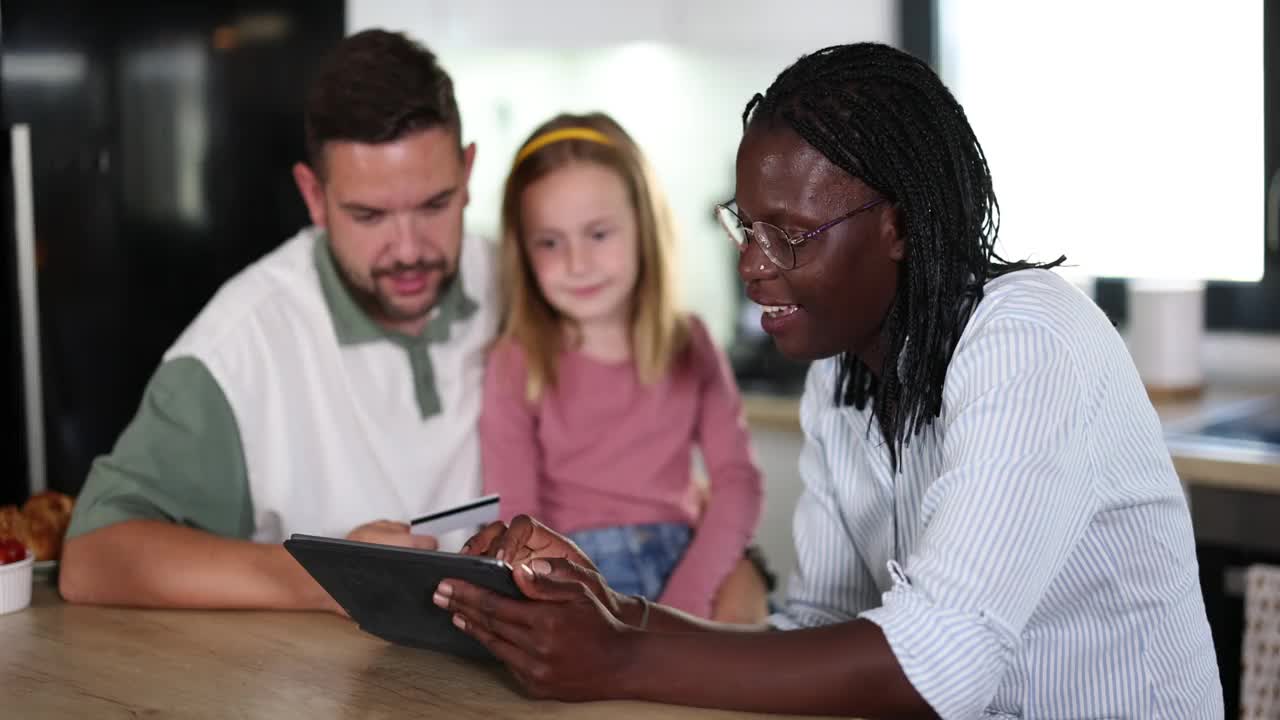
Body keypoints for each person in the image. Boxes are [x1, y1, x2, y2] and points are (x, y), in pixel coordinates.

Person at [432, 42, 1223, 718]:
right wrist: (616, 612)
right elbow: (821, 629)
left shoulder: (1028, 340)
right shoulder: (843, 371)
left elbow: (938, 660)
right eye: (746, 226)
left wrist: (622, 659)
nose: (751, 266)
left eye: (791, 234)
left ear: (901, 225)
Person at [58, 30, 495, 610]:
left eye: (435, 205)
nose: (409, 249)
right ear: (313, 196)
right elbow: (93, 558)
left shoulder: (524, 280)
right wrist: (325, 574)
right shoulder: (239, 347)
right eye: (369, 215)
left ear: (467, 174)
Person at [480, 113, 764, 620]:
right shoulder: (515, 360)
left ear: (644, 226)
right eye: (549, 241)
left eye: (598, 234)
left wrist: (689, 600)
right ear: (522, 252)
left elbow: (737, 480)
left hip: (692, 569)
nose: (577, 262)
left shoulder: (691, 342)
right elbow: (517, 520)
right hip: (576, 581)